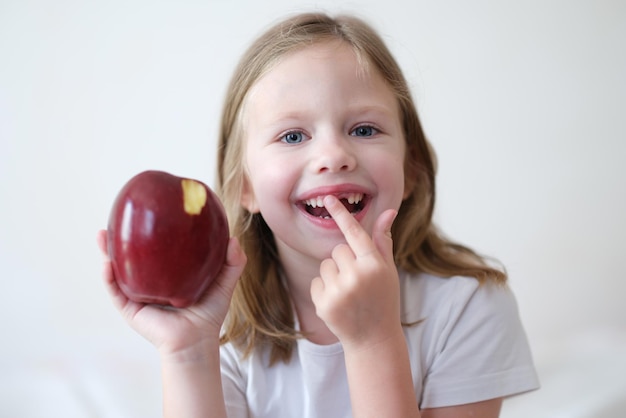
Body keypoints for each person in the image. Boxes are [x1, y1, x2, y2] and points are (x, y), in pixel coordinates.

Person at [98, 12, 539, 418]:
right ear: (243, 186)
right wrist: (188, 352)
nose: (333, 155)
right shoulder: (225, 322)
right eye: (292, 136)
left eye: (364, 129)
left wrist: (373, 341)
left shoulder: (467, 309)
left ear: (412, 165)